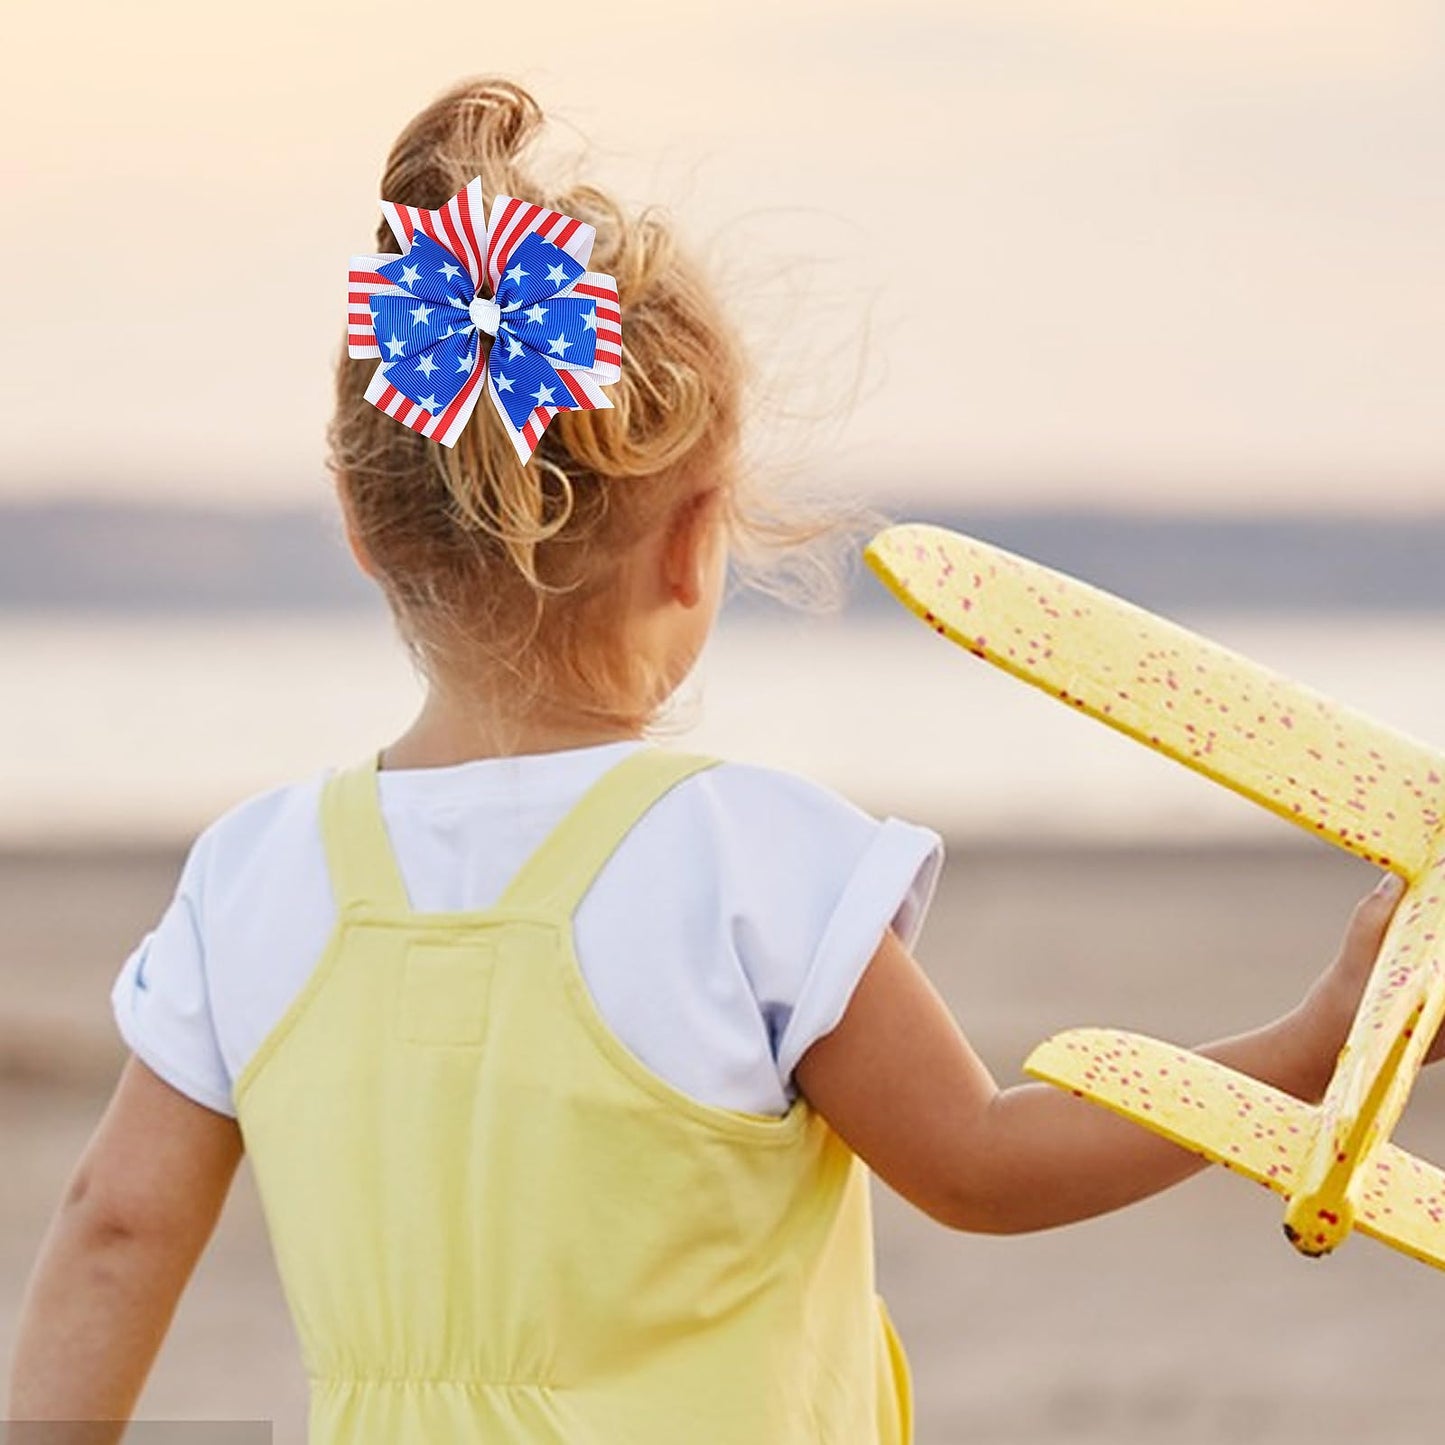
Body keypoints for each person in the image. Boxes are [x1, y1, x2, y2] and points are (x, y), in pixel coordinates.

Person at [6, 77, 1430, 1445]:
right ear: (694, 540)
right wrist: (1314, 1039)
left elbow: (113, 1225)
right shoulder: (743, 861)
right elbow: (984, 1165)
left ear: (360, 524)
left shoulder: (254, 877)